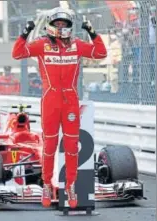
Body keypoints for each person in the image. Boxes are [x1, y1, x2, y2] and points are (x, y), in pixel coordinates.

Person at [12, 7, 107, 208]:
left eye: (65, 24)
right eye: (58, 24)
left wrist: (92, 33)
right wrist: (25, 33)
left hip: (71, 100)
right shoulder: (41, 45)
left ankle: (70, 185)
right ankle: (47, 184)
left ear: (70, 27)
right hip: (50, 100)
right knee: (50, 146)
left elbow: (100, 53)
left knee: (72, 147)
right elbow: (17, 53)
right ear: (51, 26)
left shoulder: (77, 45)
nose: (61, 27)